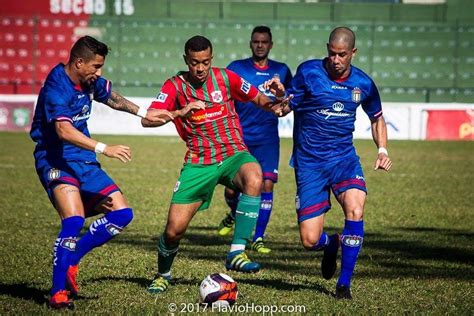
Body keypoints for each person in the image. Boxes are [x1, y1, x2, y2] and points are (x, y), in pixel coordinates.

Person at [30, 36, 173, 309]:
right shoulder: (56, 87)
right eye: (95, 67)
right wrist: (104, 148)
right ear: (79, 62)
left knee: (122, 214)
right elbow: (63, 130)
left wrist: (144, 112)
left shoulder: (89, 81)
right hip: (56, 159)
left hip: (83, 159)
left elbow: (113, 98)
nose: (99, 73)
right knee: (74, 220)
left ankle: (71, 259)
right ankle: (58, 293)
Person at [141, 35, 289, 294]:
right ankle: (163, 274)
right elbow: (148, 118)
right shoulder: (175, 86)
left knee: (255, 177)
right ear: (186, 60)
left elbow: (258, 99)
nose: (200, 68)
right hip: (200, 162)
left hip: (233, 154)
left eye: (205, 62)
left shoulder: (225, 78)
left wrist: (277, 102)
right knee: (174, 231)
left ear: (212, 59)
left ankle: (236, 252)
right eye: (195, 62)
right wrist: (178, 112)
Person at [268, 26, 392, 300]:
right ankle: (332, 243)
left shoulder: (363, 83)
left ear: (353, 53)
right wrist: (279, 97)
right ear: (327, 49)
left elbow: (377, 117)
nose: (336, 60)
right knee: (310, 240)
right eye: (332, 53)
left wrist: (382, 149)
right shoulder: (309, 72)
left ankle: (344, 284)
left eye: (342, 55)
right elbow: (286, 105)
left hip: (344, 161)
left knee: (356, 210)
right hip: (309, 164)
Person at [217, 26, 293, 254]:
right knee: (232, 190)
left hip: (268, 139)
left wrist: (282, 105)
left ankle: (258, 237)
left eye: (264, 42)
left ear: (271, 44)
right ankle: (234, 212)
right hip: (238, 137)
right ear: (251, 43)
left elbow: (287, 104)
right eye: (256, 41)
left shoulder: (282, 71)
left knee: (266, 184)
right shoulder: (236, 68)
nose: (260, 45)